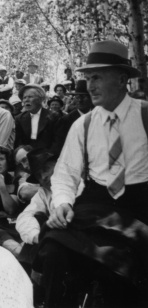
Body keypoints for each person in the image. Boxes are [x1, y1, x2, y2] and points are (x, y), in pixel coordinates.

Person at [40, 40, 148, 308]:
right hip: (95, 206)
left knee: (123, 274)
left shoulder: (145, 116)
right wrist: (62, 203)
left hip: (138, 208)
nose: (90, 85)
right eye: (88, 78)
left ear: (122, 79)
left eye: (97, 77)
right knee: (53, 251)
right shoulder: (83, 124)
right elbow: (65, 174)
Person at [15, 149, 56, 246]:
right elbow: (24, 217)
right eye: (38, 175)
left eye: (46, 168)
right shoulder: (44, 192)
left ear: (57, 164)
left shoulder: (80, 183)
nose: (43, 177)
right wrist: (37, 236)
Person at [15, 84, 60, 155]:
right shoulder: (19, 118)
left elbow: (57, 142)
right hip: (26, 157)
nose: (26, 100)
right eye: (24, 97)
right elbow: (18, 142)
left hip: (48, 157)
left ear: (40, 99)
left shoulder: (53, 116)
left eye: (30, 97)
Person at [55, 80, 94, 152]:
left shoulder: (98, 116)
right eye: (77, 97)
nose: (80, 100)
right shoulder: (66, 120)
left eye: (84, 96)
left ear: (91, 98)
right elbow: (60, 146)